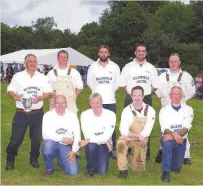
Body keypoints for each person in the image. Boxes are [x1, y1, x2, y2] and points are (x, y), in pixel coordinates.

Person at [5, 54, 52, 170]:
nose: (32, 63)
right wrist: (14, 95)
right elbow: (9, 90)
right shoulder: (18, 76)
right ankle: (10, 160)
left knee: (36, 139)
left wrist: (40, 98)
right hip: (21, 113)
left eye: (34, 61)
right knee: (16, 138)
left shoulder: (43, 77)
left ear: (37, 63)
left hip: (37, 113)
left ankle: (34, 159)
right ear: (25, 63)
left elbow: (49, 93)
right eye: (30, 61)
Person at [119, 45, 158, 161]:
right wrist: (132, 95)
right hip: (130, 98)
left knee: (146, 125)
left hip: (146, 98)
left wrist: (145, 95)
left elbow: (155, 85)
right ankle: (128, 151)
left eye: (143, 51)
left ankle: (146, 153)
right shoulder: (128, 67)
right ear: (135, 52)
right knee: (130, 124)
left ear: (146, 53)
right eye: (139, 51)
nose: (141, 53)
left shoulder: (151, 68)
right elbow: (121, 84)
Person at [155, 53, 195, 165]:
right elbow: (157, 90)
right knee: (165, 129)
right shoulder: (162, 77)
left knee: (183, 130)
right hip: (166, 107)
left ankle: (186, 156)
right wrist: (164, 99)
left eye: (175, 61)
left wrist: (182, 100)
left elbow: (191, 91)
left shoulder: (186, 76)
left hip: (181, 108)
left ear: (179, 62)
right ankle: (162, 151)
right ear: (168, 63)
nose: (173, 63)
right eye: (171, 61)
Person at [87, 45, 120, 160]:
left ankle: (113, 149)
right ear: (98, 54)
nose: (103, 54)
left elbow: (117, 84)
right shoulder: (92, 67)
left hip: (110, 100)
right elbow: (90, 83)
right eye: (101, 52)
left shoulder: (115, 67)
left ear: (108, 53)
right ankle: (96, 144)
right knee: (96, 124)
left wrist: (108, 92)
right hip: (96, 102)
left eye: (105, 52)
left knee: (111, 126)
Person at [116, 86, 155, 179]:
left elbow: (146, 132)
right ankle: (123, 169)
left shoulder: (150, 110)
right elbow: (123, 131)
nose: (137, 98)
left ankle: (130, 158)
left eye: (139, 95)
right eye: (134, 95)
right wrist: (136, 136)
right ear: (131, 96)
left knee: (138, 168)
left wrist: (129, 137)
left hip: (141, 139)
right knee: (120, 143)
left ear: (143, 96)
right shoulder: (126, 110)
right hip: (133, 138)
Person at [159, 86, 193, 182]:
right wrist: (175, 135)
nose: (176, 96)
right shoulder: (164, 110)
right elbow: (164, 128)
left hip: (181, 140)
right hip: (169, 139)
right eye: (173, 93)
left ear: (181, 96)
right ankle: (165, 173)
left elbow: (187, 127)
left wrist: (174, 136)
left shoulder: (189, 109)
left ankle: (167, 155)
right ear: (170, 95)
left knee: (176, 168)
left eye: (178, 94)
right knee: (167, 143)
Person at [41, 95, 81, 177]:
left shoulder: (72, 116)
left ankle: (61, 160)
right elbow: (45, 134)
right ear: (54, 104)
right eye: (58, 103)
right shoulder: (47, 116)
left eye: (63, 103)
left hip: (66, 146)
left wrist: (73, 151)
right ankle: (49, 168)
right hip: (52, 143)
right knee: (47, 146)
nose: (60, 106)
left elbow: (77, 135)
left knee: (73, 172)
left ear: (66, 104)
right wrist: (61, 139)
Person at [79, 93, 116, 177]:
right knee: (91, 146)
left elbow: (108, 134)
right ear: (89, 103)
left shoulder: (111, 114)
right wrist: (106, 140)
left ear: (102, 102)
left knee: (102, 171)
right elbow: (87, 134)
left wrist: (88, 140)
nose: (95, 106)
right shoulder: (84, 115)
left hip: (103, 143)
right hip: (95, 143)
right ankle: (90, 168)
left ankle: (96, 160)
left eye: (97, 103)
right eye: (93, 103)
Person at [47, 50, 83, 114]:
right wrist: (52, 100)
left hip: (70, 106)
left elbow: (79, 87)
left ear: (67, 58)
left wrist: (73, 98)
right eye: (61, 57)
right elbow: (47, 89)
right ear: (57, 58)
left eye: (65, 57)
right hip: (55, 105)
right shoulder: (51, 73)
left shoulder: (74, 72)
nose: (63, 59)